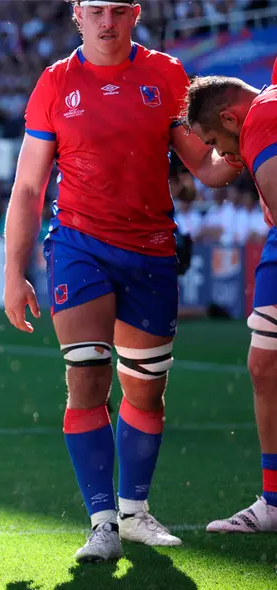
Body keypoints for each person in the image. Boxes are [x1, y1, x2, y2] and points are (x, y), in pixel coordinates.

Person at [3, 0, 242, 563]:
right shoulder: (56, 82)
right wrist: (14, 273)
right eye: (95, 11)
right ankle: (102, 522)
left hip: (151, 250)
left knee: (145, 389)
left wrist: (249, 141)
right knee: (87, 378)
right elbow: (29, 186)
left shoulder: (166, 74)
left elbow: (206, 167)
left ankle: (135, 513)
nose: (106, 22)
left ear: (134, 14)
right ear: (77, 14)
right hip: (79, 245)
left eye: (116, 10)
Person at [183, 74, 277, 532]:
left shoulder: (259, 122)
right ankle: (274, 502)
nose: (220, 154)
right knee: (264, 364)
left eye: (214, 141)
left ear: (229, 118)